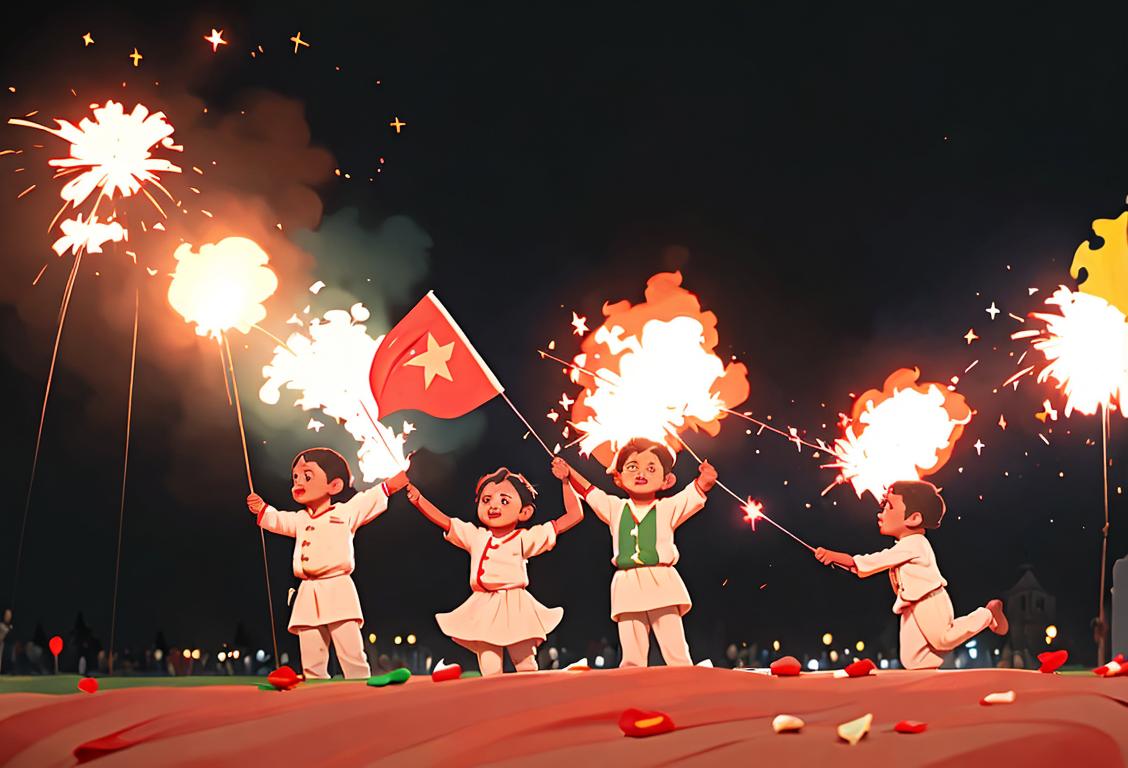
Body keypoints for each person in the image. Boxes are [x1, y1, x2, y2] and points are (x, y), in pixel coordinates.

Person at [405, 457, 582, 676]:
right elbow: (445, 521)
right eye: (486, 500)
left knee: (525, 665)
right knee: (489, 669)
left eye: (504, 501)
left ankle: (535, 705)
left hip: (515, 605)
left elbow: (575, 515)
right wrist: (418, 499)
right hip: (484, 607)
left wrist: (566, 481)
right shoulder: (476, 536)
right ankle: (495, 708)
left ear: (524, 512)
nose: (494, 506)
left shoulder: (524, 538)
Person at [246, 447, 407, 679]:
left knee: (351, 652)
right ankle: (315, 696)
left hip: (337, 589)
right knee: (311, 656)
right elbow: (279, 520)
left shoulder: (345, 512)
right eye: (296, 477)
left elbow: (373, 495)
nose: (298, 482)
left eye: (307, 476)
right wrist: (261, 508)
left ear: (334, 486)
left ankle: (361, 692)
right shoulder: (300, 519)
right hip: (308, 592)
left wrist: (400, 478)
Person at [814, 479, 1008, 670]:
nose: (881, 514)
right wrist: (840, 561)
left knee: (943, 639)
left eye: (888, 507)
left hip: (929, 600)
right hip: (912, 605)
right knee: (912, 660)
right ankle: (926, 689)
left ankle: (988, 614)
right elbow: (864, 568)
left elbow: (871, 561)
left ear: (914, 518)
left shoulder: (913, 543)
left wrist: (833, 556)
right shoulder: (905, 545)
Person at [561, 438, 718, 667]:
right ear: (618, 477)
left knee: (676, 651)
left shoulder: (667, 508)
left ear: (667, 480)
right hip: (627, 584)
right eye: (632, 467)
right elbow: (588, 491)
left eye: (651, 468)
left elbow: (691, 494)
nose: (641, 473)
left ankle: (688, 690)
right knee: (632, 654)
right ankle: (631, 692)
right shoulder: (615, 508)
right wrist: (568, 472)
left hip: (662, 581)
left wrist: (704, 481)